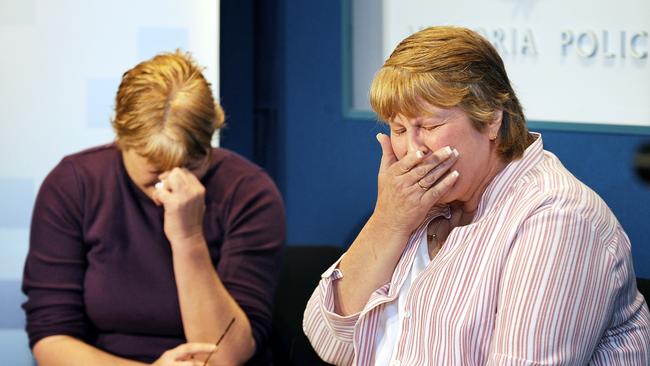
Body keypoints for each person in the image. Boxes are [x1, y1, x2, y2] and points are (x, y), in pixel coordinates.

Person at [303, 26, 650, 365]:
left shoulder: (558, 217)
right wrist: (388, 222)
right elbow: (329, 342)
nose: (412, 150)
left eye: (429, 126)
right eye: (398, 129)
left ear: (491, 119)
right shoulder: (417, 205)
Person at [22, 50, 286, 365]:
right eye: (154, 171)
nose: (171, 183)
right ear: (121, 139)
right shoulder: (74, 184)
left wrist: (188, 238)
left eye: (189, 165)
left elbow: (225, 355)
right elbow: (51, 341)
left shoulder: (248, 192)